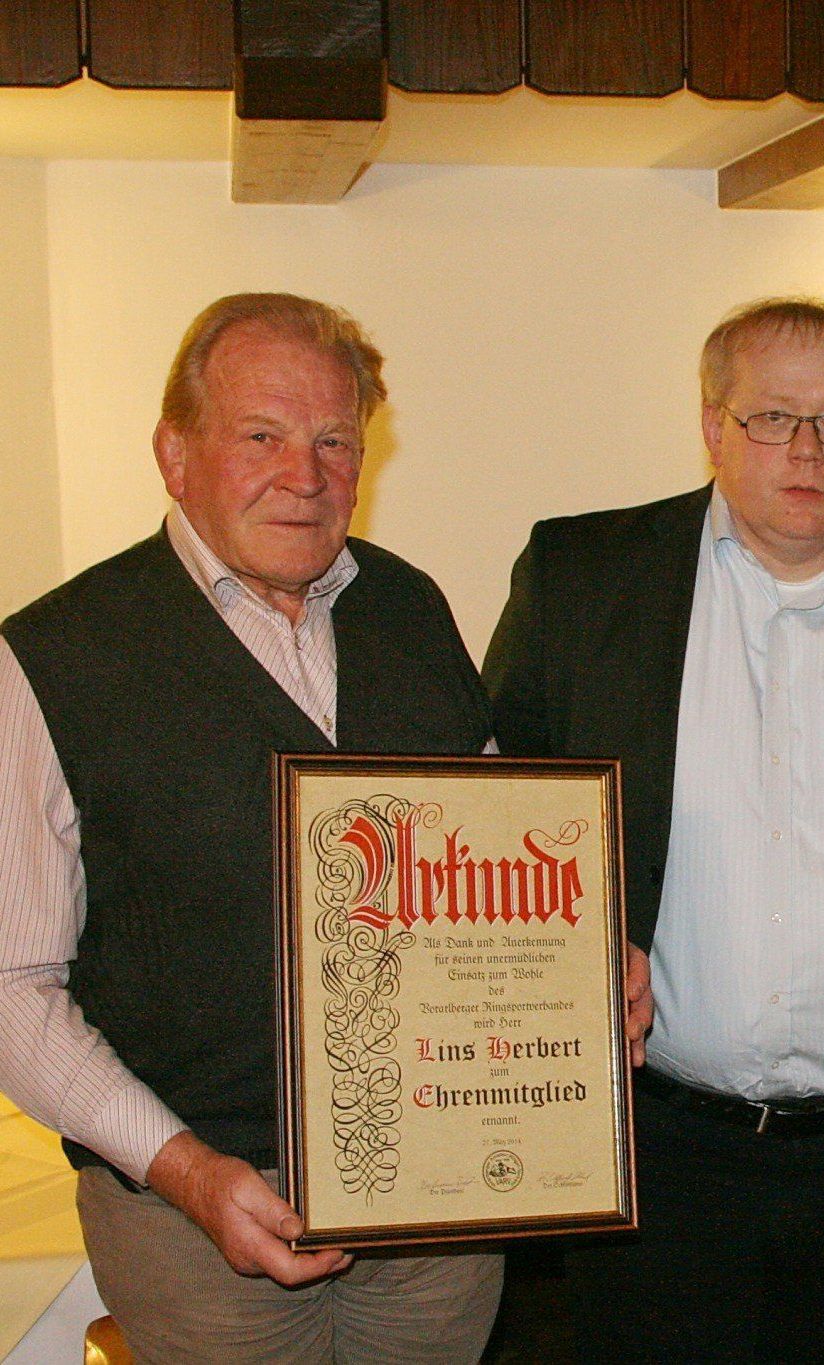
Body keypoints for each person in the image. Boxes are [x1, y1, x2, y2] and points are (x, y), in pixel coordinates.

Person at [483, 296, 824, 1362]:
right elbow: (495, 810)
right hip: (654, 1143)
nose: (807, 449)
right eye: (772, 417)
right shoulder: (583, 580)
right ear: (712, 426)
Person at [0, 294, 509, 1362]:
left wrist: (587, 952)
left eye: (334, 440)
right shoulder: (51, 659)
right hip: (194, 1215)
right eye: (261, 436)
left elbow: (491, 851)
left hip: (437, 1201)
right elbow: (12, 986)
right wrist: (185, 1171)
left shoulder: (410, 610)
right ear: (174, 453)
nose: (307, 473)